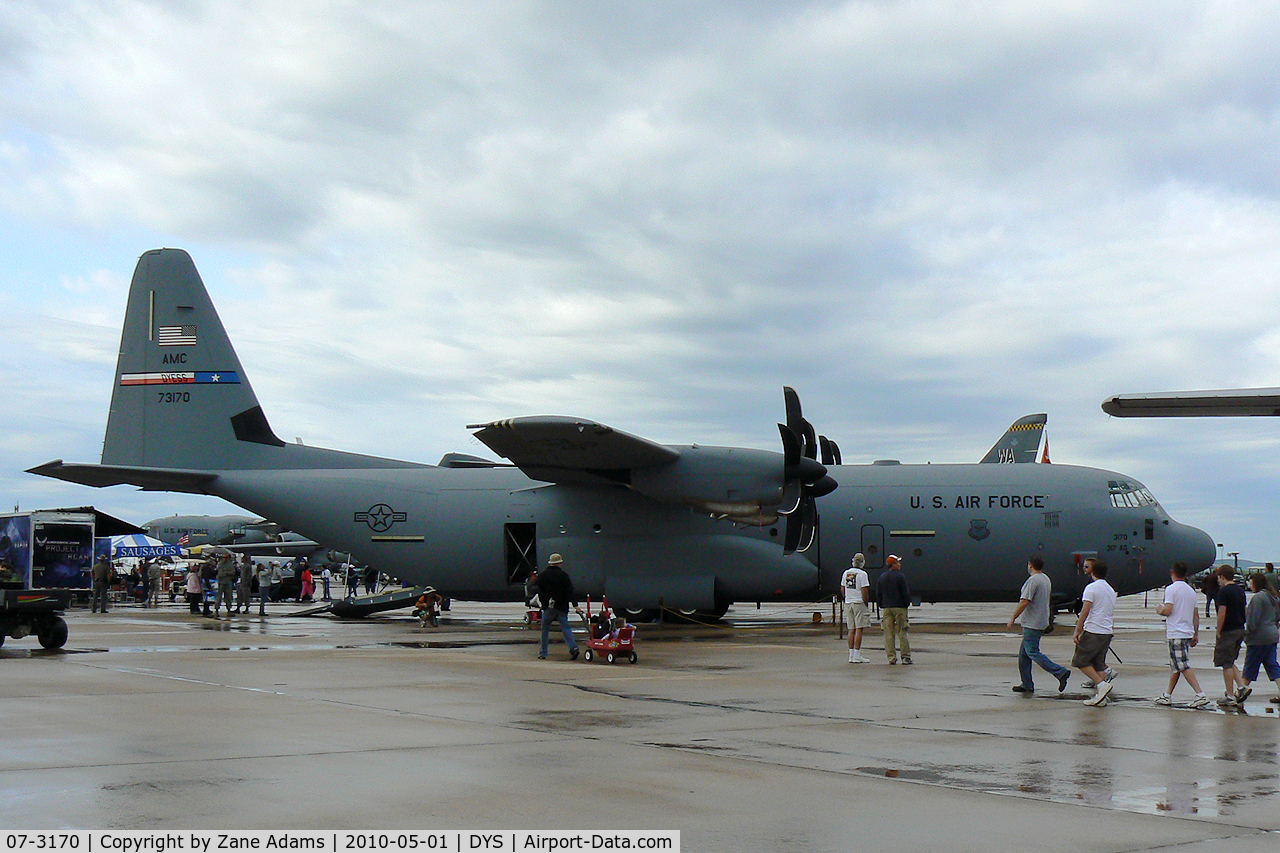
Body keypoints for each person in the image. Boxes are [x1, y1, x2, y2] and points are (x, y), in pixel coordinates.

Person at [1006, 554, 1070, 694]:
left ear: (1030, 565)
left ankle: (1060, 672)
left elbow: (1025, 601)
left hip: (1032, 623)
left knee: (1032, 652)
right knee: (1024, 655)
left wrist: (1013, 617)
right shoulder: (1045, 579)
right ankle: (1027, 684)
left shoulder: (1032, 581)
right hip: (1040, 621)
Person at [1154, 562, 1210, 708]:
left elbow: (1168, 610)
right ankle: (1167, 695)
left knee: (1182, 665)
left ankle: (1200, 694)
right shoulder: (1191, 591)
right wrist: (1196, 633)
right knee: (1176, 665)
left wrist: (1159, 609)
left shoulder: (1171, 589)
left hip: (1176, 632)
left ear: (1172, 572)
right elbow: (1196, 614)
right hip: (1187, 631)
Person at [1072, 558, 1117, 706]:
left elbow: (1085, 610)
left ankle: (1101, 685)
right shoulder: (1110, 589)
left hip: (1093, 630)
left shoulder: (1091, 588)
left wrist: (1078, 630)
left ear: (1093, 571)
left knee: (1080, 660)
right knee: (1098, 663)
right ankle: (1101, 697)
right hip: (1106, 630)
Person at [1240, 572, 1280, 704]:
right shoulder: (1273, 597)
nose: (1250, 585)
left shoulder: (1258, 598)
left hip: (1259, 637)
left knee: (1251, 665)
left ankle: (1242, 690)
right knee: (1272, 665)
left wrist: (1248, 633)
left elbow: (1253, 620)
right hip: (1272, 635)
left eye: (1251, 583)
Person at [1213, 564, 1250, 705]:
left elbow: (1222, 612)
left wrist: (1218, 630)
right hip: (1240, 628)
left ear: (1222, 577)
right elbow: (1244, 610)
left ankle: (1230, 695)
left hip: (1229, 630)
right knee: (1230, 660)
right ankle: (1242, 687)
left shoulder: (1224, 592)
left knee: (1225, 663)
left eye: (1219, 578)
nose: (1218, 580)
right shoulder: (1240, 591)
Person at [535, 553, 583, 660]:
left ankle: (543, 652)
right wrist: (575, 605)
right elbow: (570, 591)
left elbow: (539, 591)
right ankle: (573, 647)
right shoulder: (564, 575)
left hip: (548, 606)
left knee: (545, 629)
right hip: (562, 606)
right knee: (565, 627)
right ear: (560, 563)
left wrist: (543, 604)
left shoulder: (543, 575)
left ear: (550, 563)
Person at [877, 554, 912, 665]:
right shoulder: (900, 577)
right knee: (902, 632)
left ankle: (891, 658)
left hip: (887, 608)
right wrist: (906, 604)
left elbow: (878, 593)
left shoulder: (882, 577)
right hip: (899, 607)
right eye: (898, 563)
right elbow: (905, 593)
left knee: (888, 634)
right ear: (893, 565)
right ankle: (905, 657)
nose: (900, 564)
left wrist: (882, 604)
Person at [840, 553, 871, 663]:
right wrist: (866, 602)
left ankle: (851, 654)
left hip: (849, 602)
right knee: (859, 629)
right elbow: (864, 591)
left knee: (851, 629)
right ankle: (857, 654)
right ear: (862, 562)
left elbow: (843, 588)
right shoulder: (862, 574)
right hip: (858, 602)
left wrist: (847, 598)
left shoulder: (846, 573)